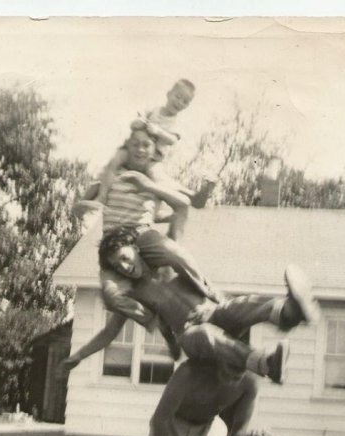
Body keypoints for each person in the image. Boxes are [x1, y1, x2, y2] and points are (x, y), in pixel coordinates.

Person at [59, 224, 320, 384]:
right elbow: (109, 332)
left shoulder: (165, 263)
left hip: (212, 310)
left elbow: (180, 240)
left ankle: (291, 311)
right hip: (189, 335)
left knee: (240, 305)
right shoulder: (134, 293)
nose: (126, 268)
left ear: (136, 249)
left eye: (126, 258)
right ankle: (266, 363)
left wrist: (213, 302)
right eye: (118, 267)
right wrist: (79, 356)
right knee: (204, 334)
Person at [77, 124, 219, 331]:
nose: (140, 149)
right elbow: (82, 205)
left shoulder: (157, 179)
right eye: (135, 144)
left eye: (146, 145)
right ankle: (155, 322)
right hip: (113, 243)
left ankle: (207, 291)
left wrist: (205, 189)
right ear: (127, 147)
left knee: (175, 254)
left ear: (154, 152)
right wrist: (86, 208)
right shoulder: (111, 174)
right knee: (111, 296)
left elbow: (192, 202)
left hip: (141, 233)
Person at [88, 79, 214, 219]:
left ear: (187, 106)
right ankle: (102, 196)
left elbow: (172, 140)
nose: (179, 102)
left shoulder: (176, 122)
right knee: (113, 162)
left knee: (159, 179)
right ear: (168, 94)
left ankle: (189, 197)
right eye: (177, 97)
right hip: (133, 149)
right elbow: (134, 123)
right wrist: (139, 122)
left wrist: (158, 131)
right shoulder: (153, 110)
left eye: (184, 101)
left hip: (153, 156)